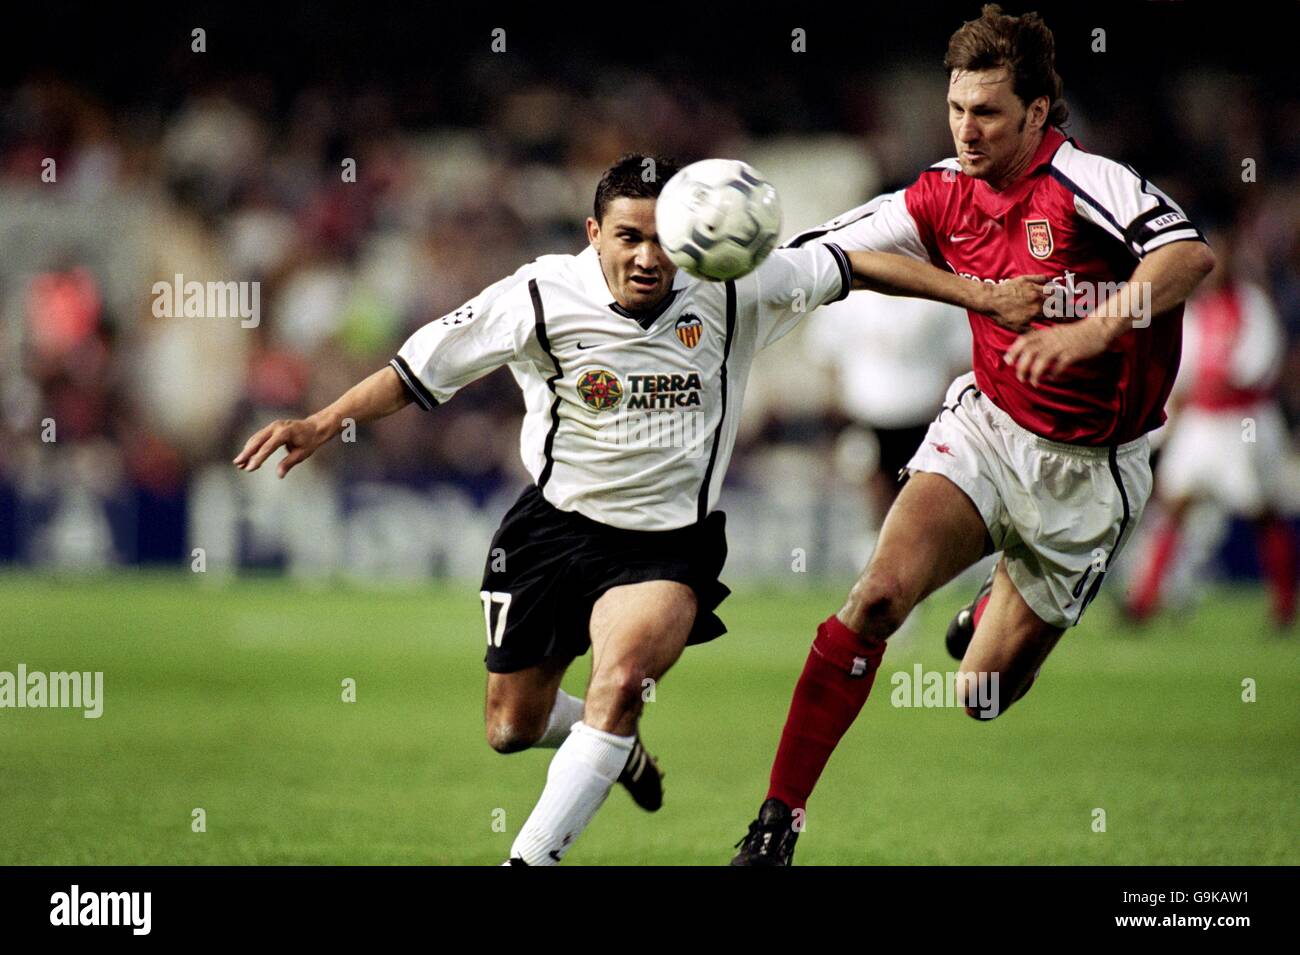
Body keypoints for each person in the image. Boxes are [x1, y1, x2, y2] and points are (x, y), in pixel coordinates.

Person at [234, 152, 1045, 866]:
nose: (649, 257)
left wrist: (978, 294)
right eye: (629, 237)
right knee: (510, 725)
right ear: (594, 233)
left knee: (618, 683)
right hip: (550, 531)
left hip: (664, 546)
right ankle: (615, 754)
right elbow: (417, 371)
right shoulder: (540, 295)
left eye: (664, 239)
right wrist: (317, 421)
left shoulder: (735, 284)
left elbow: (857, 263)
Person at [731, 4, 1215, 865]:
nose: (966, 129)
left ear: (1036, 113)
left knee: (980, 695)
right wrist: (729, 266)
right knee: (877, 597)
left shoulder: (1089, 184)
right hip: (987, 429)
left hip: (1094, 473)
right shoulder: (940, 191)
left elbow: (1185, 258)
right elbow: (834, 252)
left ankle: (1001, 600)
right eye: (957, 108)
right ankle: (777, 820)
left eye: (987, 111)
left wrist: (1094, 327)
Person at [1126, 224, 1296, 628]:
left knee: (1262, 514)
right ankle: (1143, 601)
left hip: (1243, 421)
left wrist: (1215, 382)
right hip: (1201, 423)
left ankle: (1285, 604)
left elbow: (1258, 362)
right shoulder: (1196, 312)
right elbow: (1182, 374)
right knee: (1173, 505)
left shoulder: (1251, 305)